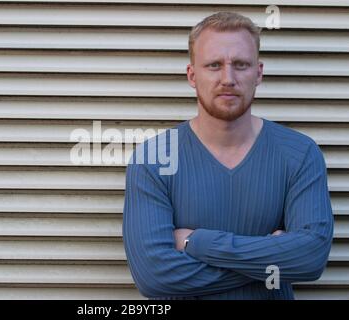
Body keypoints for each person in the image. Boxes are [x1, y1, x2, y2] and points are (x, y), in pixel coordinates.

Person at [122, 12, 333, 300]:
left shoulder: (299, 154)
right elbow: (155, 278)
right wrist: (269, 262)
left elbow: (309, 260)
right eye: (214, 65)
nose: (228, 78)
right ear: (192, 75)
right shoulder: (153, 159)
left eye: (241, 65)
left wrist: (195, 241)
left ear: (258, 73)